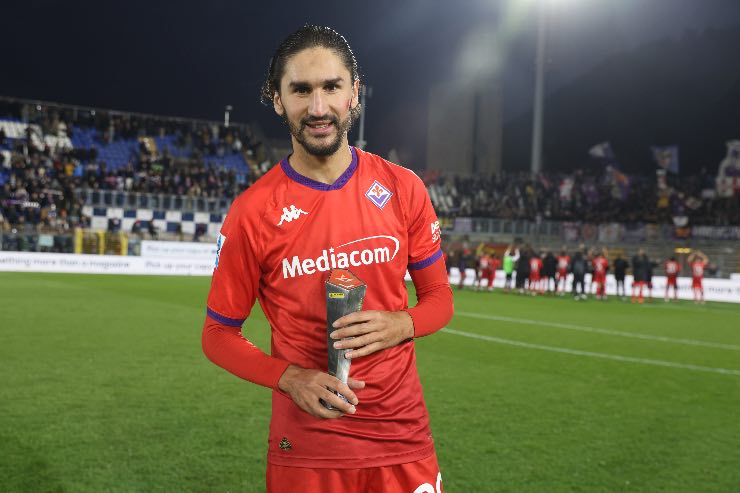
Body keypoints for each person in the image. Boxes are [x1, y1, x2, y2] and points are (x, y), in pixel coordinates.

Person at [201, 25, 453, 493]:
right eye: (300, 90)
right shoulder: (252, 212)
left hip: (401, 436)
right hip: (308, 448)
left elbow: (440, 298)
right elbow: (218, 334)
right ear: (277, 99)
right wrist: (288, 377)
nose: (318, 108)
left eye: (331, 87)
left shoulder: (403, 188)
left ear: (354, 92)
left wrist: (403, 323)